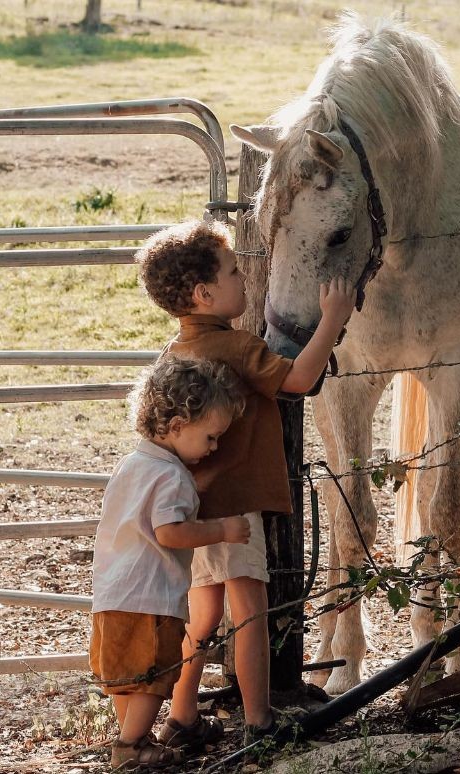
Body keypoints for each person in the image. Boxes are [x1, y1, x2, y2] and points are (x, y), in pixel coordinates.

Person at [135, 219, 354, 749]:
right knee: (250, 611)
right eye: (234, 272)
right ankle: (260, 723)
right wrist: (333, 318)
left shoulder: (174, 352)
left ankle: (182, 715)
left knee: (204, 613)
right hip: (232, 509)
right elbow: (299, 380)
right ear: (205, 293)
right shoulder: (232, 347)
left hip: (193, 505)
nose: (245, 281)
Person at [90, 355, 250, 770]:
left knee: (129, 677)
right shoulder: (173, 476)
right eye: (211, 437)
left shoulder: (131, 465)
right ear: (178, 426)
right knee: (154, 677)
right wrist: (222, 530)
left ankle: (135, 740)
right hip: (151, 595)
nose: (214, 447)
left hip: (111, 592)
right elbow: (170, 532)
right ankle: (128, 749)